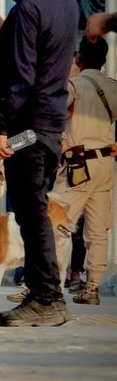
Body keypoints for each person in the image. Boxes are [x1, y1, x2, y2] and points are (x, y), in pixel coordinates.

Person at [0, 0, 79, 327]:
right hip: (52, 122)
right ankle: (46, 294)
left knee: (31, 210)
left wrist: (1, 128)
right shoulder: (65, 0)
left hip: (27, 124)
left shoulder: (28, 9)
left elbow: (21, 77)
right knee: (35, 205)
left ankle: (46, 296)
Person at [51, 37, 117, 305]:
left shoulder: (75, 86)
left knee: (56, 224)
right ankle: (92, 287)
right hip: (105, 164)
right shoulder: (112, 87)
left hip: (79, 164)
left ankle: (48, 286)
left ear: (79, 57)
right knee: (98, 229)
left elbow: (54, 111)